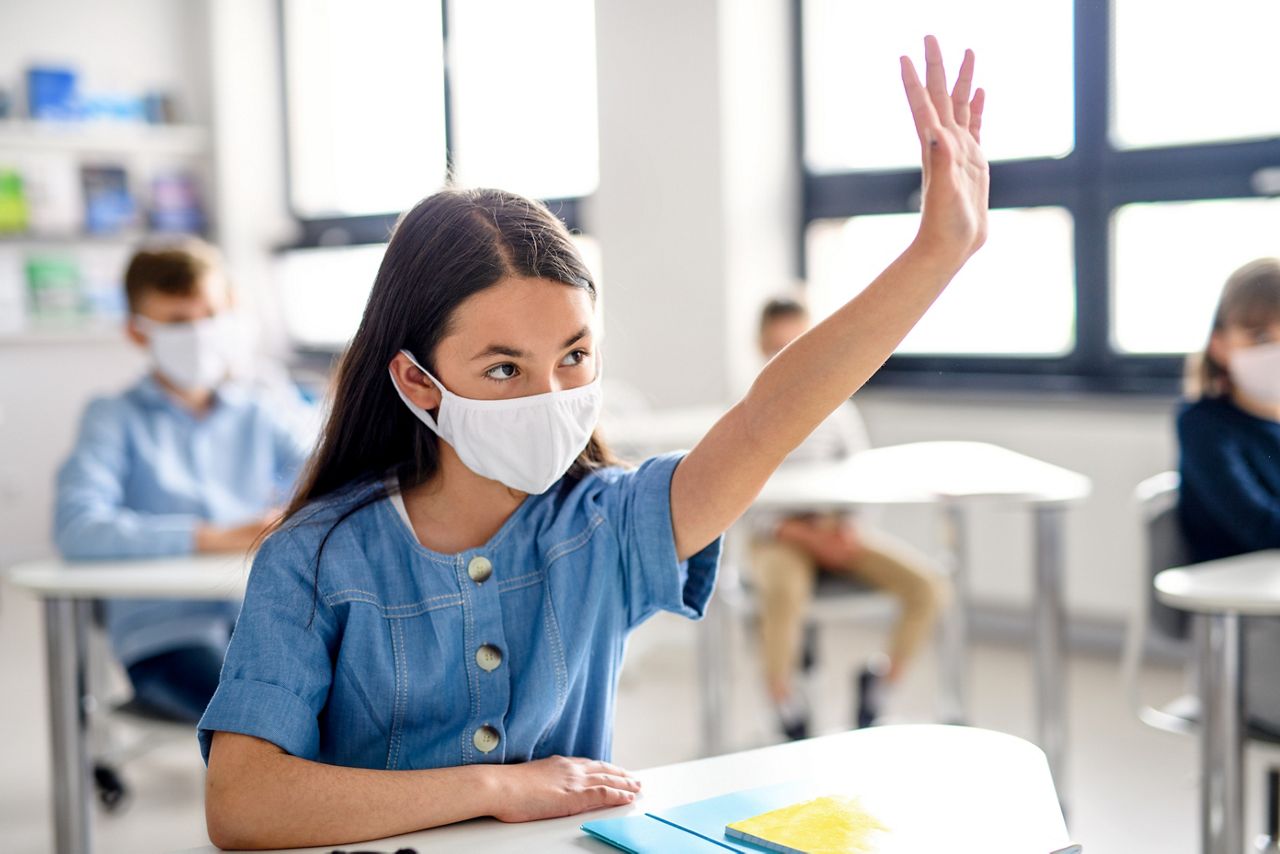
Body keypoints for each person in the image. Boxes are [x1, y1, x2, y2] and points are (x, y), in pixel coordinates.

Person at [199, 37, 988, 849]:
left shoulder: (606, 525)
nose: (550, 397)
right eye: (504, 369)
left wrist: (935, 256)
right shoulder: (316, 557)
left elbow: (766, 417)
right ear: (417, 383)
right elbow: (243, 804)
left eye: (574, 356)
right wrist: (493, 788)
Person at [54, 237, 316, 724]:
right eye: (177, 322)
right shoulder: (113, 418)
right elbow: (77, 528)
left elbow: (329, 479)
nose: (199, 333)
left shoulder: (260, 408)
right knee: (269, 722)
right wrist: (212, 538)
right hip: (166, 638)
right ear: (138, 332)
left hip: (261, 625)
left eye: (210, 314)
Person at [751, 296, 947, 739]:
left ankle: (880, 687)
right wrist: (796, 532)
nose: (791, 354)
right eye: (780, 345)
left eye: (800, 341)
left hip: (835, 530)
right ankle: (784, 700)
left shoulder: (837, 407)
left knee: (927, 587)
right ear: (761, 346)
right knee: (784, 591)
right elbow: (739, 496)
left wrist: (847, 531)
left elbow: (861, 475)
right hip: (779, 536)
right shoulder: (748, 409)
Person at [1177, 256, 1280, 735]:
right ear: (1220, 344)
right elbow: (1261, 527)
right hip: (1247, 631)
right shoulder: (1204, 425)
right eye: (1260, 337)